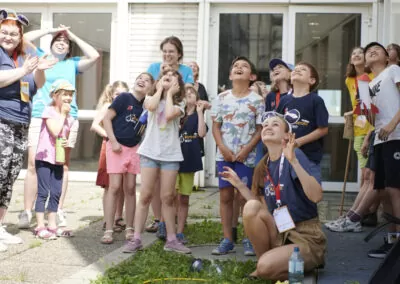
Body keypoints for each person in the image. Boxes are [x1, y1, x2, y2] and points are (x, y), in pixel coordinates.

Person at [219, 112, 326, 281]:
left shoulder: (296, 156)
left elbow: (316, 196)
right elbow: (258, 206)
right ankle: (269, 263)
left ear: (287, 135)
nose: (268, 126)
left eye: (275, 124)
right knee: (251, 208)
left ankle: (279, 265)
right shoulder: (263, 165)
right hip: (279, 231)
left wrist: (294, 163)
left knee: (266, 268)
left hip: (304, 235)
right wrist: (239, 184)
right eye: (265, 124)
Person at [19, 24, 100, 229]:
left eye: (65, 43)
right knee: (33, 164)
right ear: (52, 44)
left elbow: (95, 55)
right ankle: (27, 211)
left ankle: (56, 209)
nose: (62, 44)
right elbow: (25, 38)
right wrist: (50, 30)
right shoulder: (41, 56)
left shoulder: (72, 63)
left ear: (69, 48)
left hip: (66, 118)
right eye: (58, 41)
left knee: (62, 164)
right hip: (40, 115)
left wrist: (71, 34)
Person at [0, 8, 54, 251]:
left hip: (21, 122)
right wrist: (23, 71)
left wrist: (39, 68)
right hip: (1, 120)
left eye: (14, 34)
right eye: (4, 32)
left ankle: (0, 227)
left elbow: (37, 86)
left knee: (9, 177)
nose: (9, 37)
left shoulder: (23, 56)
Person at [124, 67, 191, 254]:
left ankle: (172, 239)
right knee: (145, 195)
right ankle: (136, 238)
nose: (167, 78)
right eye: (164, 77)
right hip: (149, 153)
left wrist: (170, 94)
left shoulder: (182, 102)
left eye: (172, 77)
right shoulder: (149, 98)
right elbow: (152, 107)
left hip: (170, 155)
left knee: (168, 198)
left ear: (179, 84)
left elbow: (169, 114)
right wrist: (160, 90)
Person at [211, 56, 264, 255]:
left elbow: (260, 129)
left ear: (251, 76)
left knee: (245, 197)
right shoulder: (221, 98)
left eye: (244, 66)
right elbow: (216, 126)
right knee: (225, 196)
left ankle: (248, 238)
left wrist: (247, 149)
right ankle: (227, 239)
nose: (239, 67)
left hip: (246, 157)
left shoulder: (257, 101)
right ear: (231, 74)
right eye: (235, 66)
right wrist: (222, 148)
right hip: (224, 155)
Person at [326, 47, 379, 232]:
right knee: (366, 175)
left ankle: (366, 213)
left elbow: (372, 108)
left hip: (372, 129)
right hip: (358, 129)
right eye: (353, 53)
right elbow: (359, 105)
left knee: (369, 175)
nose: (356, 55)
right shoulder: (350, 80)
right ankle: (361, 214)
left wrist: (370, 133)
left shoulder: (372, 78)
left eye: (360, 53)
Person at [145, 36, 194, 236]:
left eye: (171, 51)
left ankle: (173, 218)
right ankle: (158, 219)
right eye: (164, 51)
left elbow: (189, 92)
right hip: (156, 126)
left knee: (173, 178)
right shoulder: (154, 67)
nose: (167, 55)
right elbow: (148, 90)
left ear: (179, 54)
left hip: (177, 125)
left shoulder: (186, 71)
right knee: (154, 178)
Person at [101, 73, 154, 245]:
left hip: (134, 149)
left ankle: (130, 227)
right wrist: (114, 142)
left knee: (130, 188)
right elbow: (106, 119)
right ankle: (109, 228)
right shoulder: (124, 98)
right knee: (114, 186)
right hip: (116, 147)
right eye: (140, 78)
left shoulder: (146, 107)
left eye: (146, 80)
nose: (141, 81)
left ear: (151, 88)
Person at [363, 42, 400, 259]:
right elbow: (372, 119)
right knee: (386, 191)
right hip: (380, 139)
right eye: (368, 51)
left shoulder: (393, 71)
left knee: (395, 188)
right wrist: (366, 110)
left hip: (396, 136)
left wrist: (392, 124)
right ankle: (391, 239)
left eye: (378, 49)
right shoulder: (368, 85)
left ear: (387, 58)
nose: (372, 50)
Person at [34, 79, 75, 240]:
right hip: (44, 158)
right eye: (65, 94)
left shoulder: (70, 118)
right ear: (55, 95)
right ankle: (40, 226)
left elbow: (64, 137)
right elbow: (56, 130)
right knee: (43, 192)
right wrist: (63, 114)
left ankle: (52, 225)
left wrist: (66, 142)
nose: (68, 98)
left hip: (58, 158)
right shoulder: (48, 111)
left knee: (56, 192)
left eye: (70, 95)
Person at [277, 62, 329, 180]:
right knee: (286, 193)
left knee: (308, 192)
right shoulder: (284, 100)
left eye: (303, 69)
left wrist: (299, 142)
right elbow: (278, 123)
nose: (297, 70)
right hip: (284, 156)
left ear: (311, 80)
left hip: (309, 157)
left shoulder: (316, 100)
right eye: (295, 69)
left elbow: (323, 129)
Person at [91, 81, 129, 232]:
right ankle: (108, 221)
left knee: (122, 186)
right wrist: (111, 137)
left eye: (123, 94)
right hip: (109, 147)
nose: (120, 96)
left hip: (124, 148)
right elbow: (95, 125)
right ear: (112, 94)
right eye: (117, 94)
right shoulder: (108, 106)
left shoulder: (127, 108)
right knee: (109, 186)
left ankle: (118, 217)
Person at [175, 85, 207, 244]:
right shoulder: (177, 113)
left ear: (197, 98)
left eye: (192, 93)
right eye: (185, 93)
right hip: (173, 160)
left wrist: (200, 112)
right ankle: (167, 226)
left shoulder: (197, 116)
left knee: (184, 197)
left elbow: (201, 133)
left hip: (189, 160)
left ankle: (180, 231)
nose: (188, 95)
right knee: (170, 195)